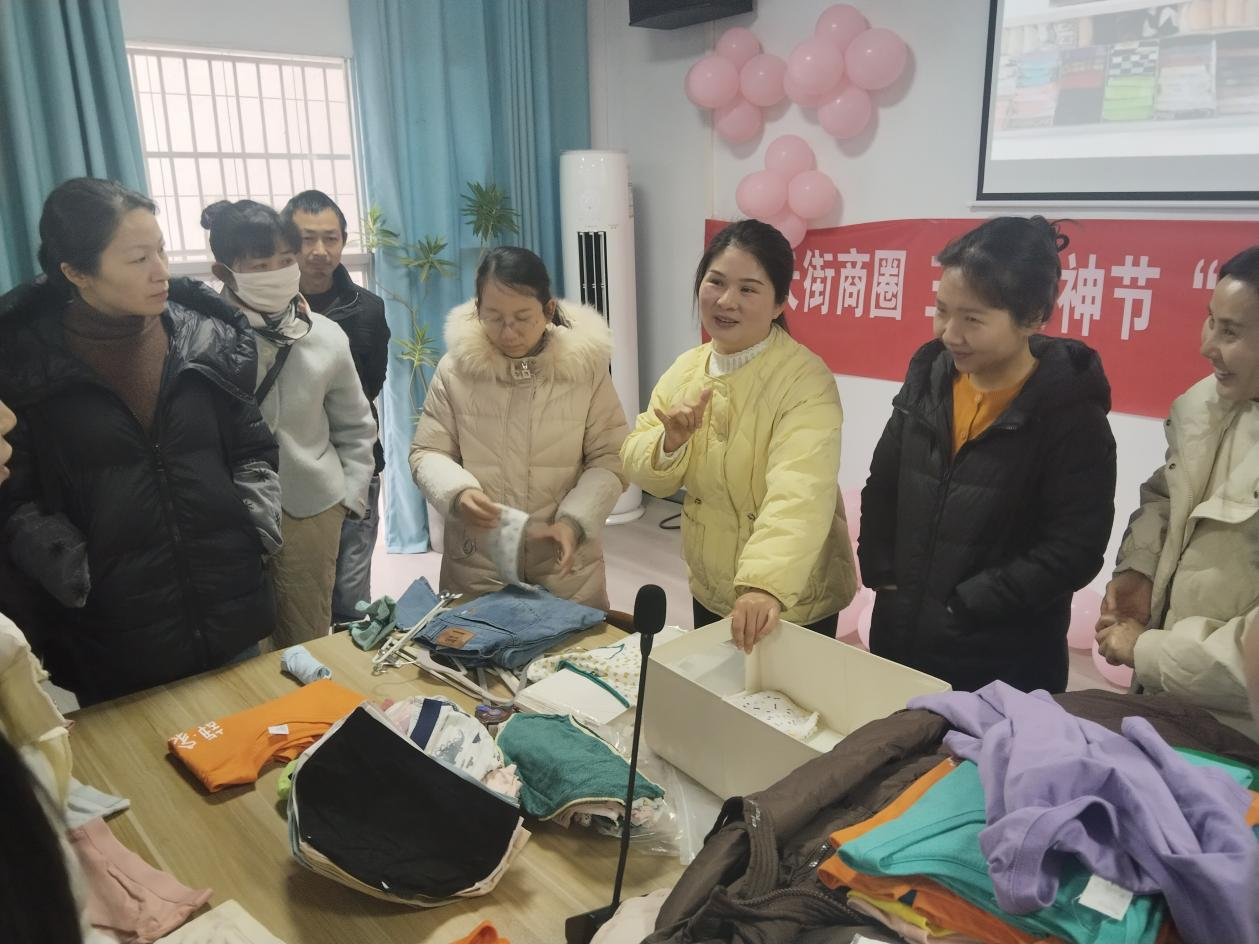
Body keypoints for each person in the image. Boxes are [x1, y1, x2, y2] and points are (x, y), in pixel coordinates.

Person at [0, 178, 279, 703]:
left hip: (231, 610)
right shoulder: (24, 367)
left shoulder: (207, 337)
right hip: (114, 633)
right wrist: (68, 565)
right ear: (76, 272)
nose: (161, 271)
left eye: (162, 250)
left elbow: (251, 447)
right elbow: (15, 497)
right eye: (138, 259)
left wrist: (253, 523)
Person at [859, 216, 1117, 694]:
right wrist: (884, 577)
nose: (949, 333)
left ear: (1033, 316)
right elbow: (883, 487)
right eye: (942, 310)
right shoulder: (928, 379)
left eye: (973, 319)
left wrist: (967, 604)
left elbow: (1074, 549)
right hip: (900, 638)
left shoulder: (1069, 414)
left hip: (1001, 665)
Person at [621, 220, 856, 652]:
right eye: (716, 282)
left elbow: (800, 491)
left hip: (789, 596)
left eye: (748, 289)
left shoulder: (805, 379)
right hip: (710, 582)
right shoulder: (686, 368)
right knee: (715, 689)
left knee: (780, 697)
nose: (726, 301)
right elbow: (640, 465)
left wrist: (764, 585)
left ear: (779, 303)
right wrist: (669, 444)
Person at [1098, 245, 1259, 738]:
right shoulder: (1204, 406)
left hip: (1239, 734)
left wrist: (1148, 650)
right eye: (1211, 321)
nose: (1207, 345)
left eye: (1230, 332)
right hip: (1166, 708)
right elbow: (1166, 496)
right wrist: (1140, 570)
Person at [410, 246, 628, 609]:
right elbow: (427, 452)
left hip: (564, 566)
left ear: (548, 310)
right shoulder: (456, 370)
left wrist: (574, 522)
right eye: (494, 317)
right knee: (475, 644)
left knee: (570, 645)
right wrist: (458, 493)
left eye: (522, 317)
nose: (508, 332)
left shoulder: (584, 369)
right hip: (479, 563)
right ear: (478, 309)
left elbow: (611, 458)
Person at [202, 199, 376, 649]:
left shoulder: (325, 335)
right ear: (224, 272)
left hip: (311, 508)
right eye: (261, 266)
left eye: (285, 261)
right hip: (228, 514)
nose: (278, 273)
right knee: (240, 644)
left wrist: (348, 498)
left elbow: (356, 426)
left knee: (306, 637)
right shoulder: (202, 337)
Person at [281, 190, 390, 624]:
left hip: (354, 462)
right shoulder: (267, 309)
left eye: (330, 238)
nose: (319, 251)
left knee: (350, 598)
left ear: (344, 241)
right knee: (298, 600)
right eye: (306, 239)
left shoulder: (369, 309)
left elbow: (371, 386)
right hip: (294, 469)